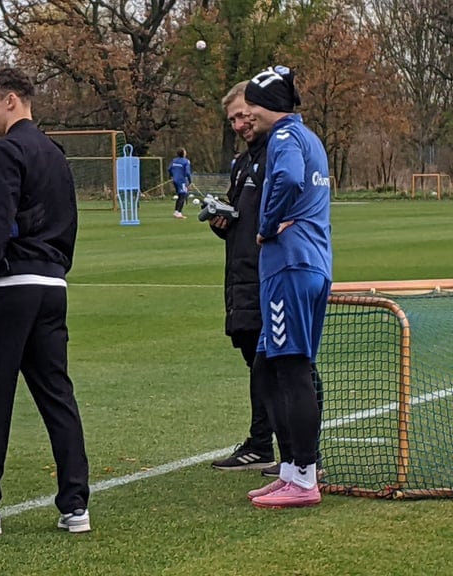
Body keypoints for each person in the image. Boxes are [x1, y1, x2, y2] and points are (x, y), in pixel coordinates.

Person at [0, 67, 91, 535]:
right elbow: (68, 220)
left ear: (11, 100)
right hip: (52, 286)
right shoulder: (55, 153)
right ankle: (76, 505)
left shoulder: (6, 151)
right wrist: (55, 268)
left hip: (10, 286)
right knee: (57, 395)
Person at [241, 65, 332, 509]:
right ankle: (292, 470)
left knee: (291, 368)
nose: (247, 116)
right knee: (266, 367)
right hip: (310, 264)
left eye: (251, 107)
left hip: (290, 266)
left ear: (268, 106)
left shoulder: (284, 138)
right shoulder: (309, 136)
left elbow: (290, 178)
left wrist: (266, 225)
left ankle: (305, 477)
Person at [207, 81, 277, 473]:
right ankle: (262, 443)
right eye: (232, 120)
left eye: (241, 116)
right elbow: (241, 218)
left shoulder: (279, 153)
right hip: (242, 276)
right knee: (257, 362)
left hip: (269, 276)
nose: (238, 125)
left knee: (285, 363)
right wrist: (222, 220)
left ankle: (304, 454)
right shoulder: (243, 161)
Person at [168, 148, 192, 219]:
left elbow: (169, 169)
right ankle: (179, 213)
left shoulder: (174, 160)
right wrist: (190, 181)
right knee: (183, 196)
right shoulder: (186, 161)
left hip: (175, 180)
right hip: (181, 181)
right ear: (183, 153)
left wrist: (171, 176)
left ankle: (176, 211)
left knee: (180, 196)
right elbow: (188, 172)